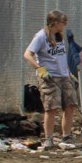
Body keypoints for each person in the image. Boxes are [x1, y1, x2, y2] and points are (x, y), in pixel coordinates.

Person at [23, 10, 77, 148]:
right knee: (51, 108)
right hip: (50, 77)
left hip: (64, 76)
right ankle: (48, 139)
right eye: (62, 22)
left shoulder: (59, 36)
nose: (64, 25)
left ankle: (66, 136)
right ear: (55, 23)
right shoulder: (40, 37)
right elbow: (28, 55)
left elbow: (60, 57)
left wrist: (68, 72)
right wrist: (39, 69)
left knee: (70, 105)